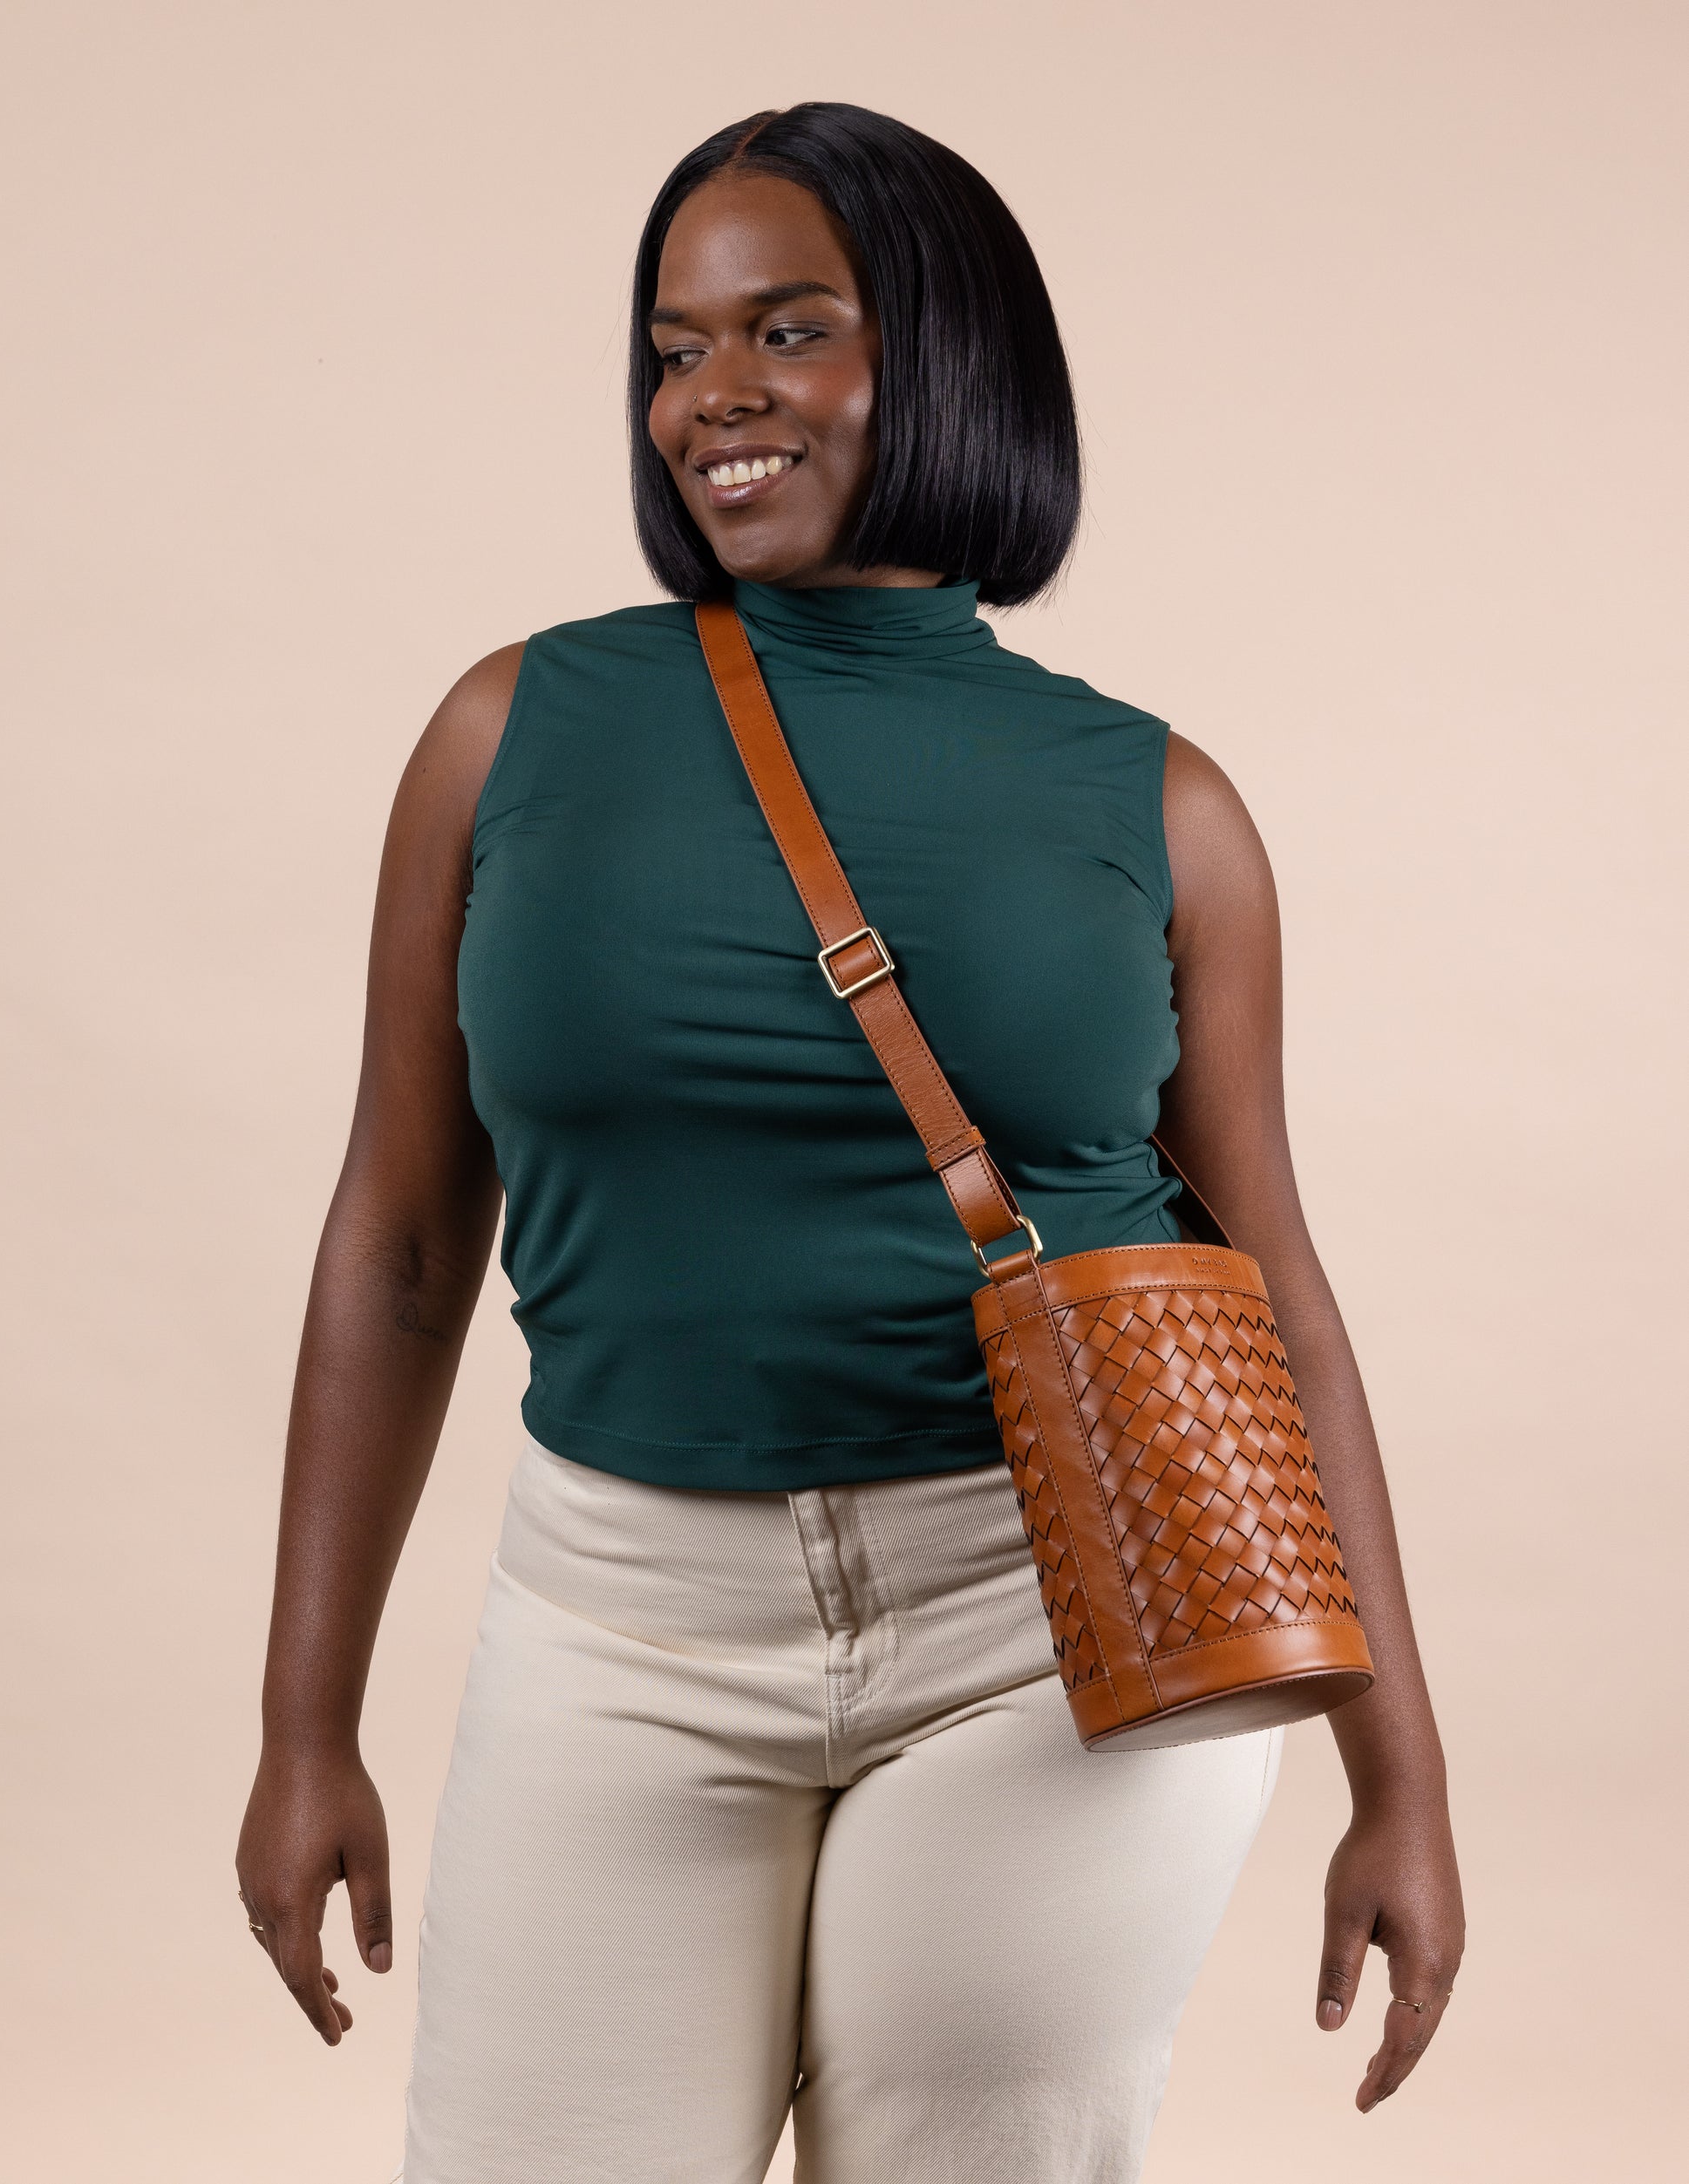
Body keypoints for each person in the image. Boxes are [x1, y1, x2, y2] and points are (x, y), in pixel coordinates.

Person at [236, 102, 1464, 2184]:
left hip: (1060, 1620)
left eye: (786, 329)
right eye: (673, 348)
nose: (709, 394)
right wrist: (302, 1723)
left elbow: (1276, 1308)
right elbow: (402, 1242)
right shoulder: (505, 733)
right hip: (616, 1618)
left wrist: (1402, 1781)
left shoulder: (1162, 807)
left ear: (947, 359)